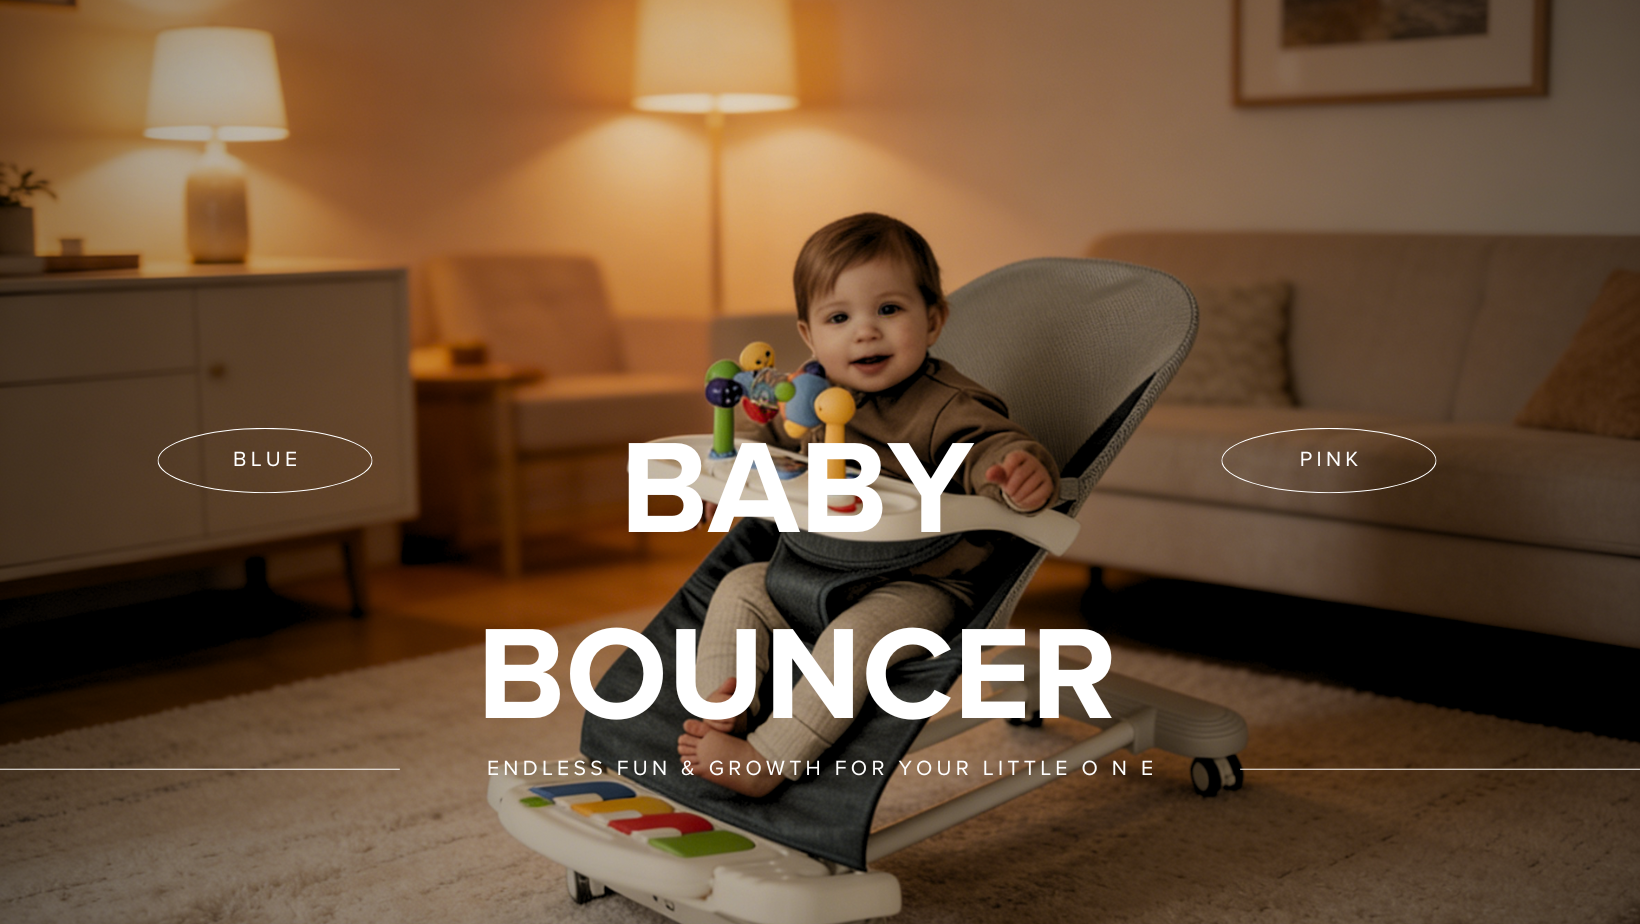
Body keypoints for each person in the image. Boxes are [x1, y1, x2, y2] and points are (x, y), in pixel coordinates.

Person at [677, 212, 1059, 796]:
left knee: (855, 643)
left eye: (889, 309)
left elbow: (992, 446)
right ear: (809, 336)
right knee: (740, 589)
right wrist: (727, 493)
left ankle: (770, 758)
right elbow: (769, 462)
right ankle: (724, 701)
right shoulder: (806, 401)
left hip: (918, 585)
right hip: (811, 568)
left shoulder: (946, 404)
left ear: (933, 320)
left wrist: (1016, 471)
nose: (865, 331)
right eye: (839, 317)